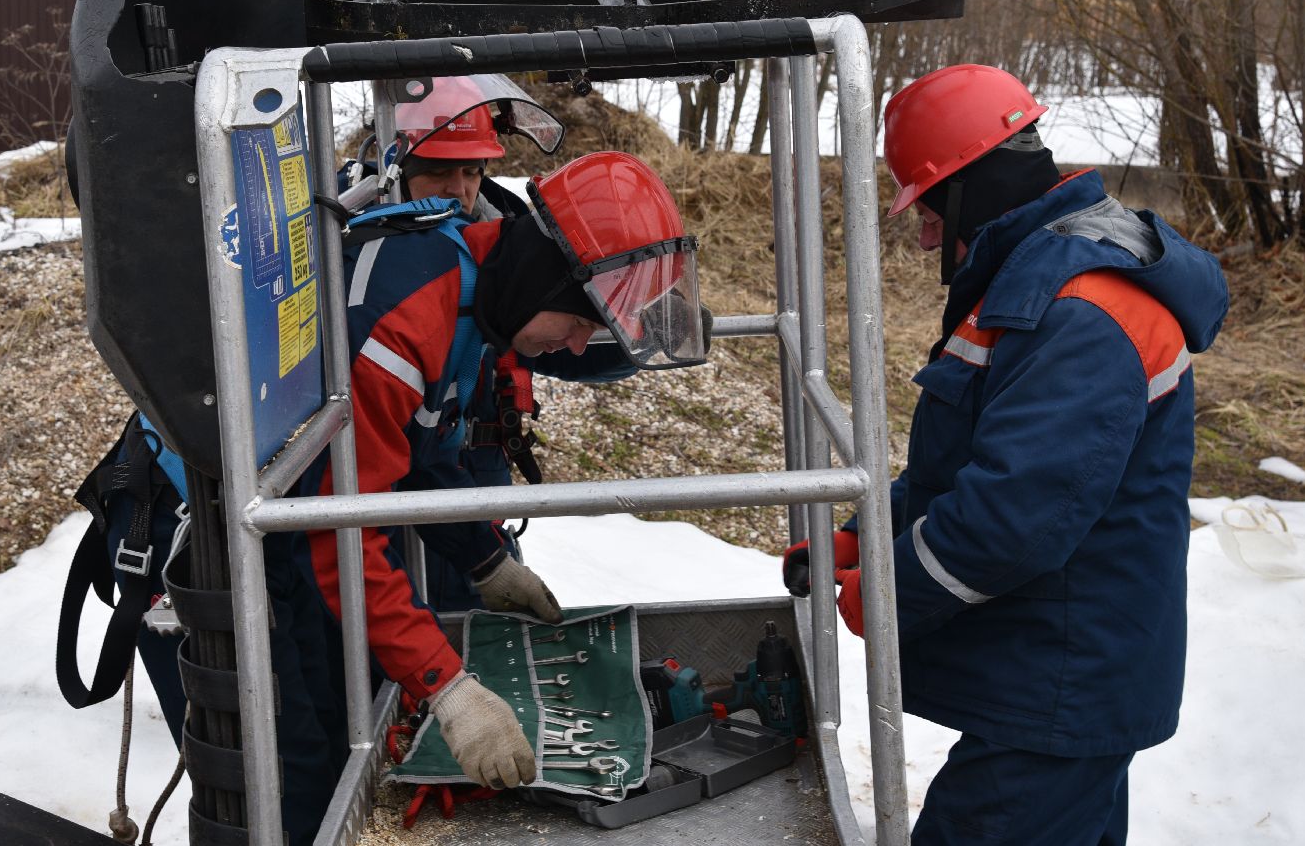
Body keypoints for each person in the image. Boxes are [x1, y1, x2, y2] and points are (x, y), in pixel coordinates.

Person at [782, 64, 1229, 845]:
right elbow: (972, 460)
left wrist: (886, 597)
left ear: (973, 188)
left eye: (927, 210)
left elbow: (1012, 519)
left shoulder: (1083, 307)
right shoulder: (1036, 283)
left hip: (1065, 680)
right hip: (1054, 673)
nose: (923, 236)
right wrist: (866, 530)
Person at [300, 148, 708, 792]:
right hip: (240, 539)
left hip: (312, 524)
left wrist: (486, 560)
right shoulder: (405, 318)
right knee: (304, 773)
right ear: (540, 279)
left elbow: (422, 453)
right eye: (578, 321)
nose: (577, 346)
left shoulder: (471, 288)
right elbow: (335, 526)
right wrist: (449, 688)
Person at [343, 74, 638, 610]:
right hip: (401, 479)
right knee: (393, 615)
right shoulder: (368, 262)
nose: (458, 189)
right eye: (437, 171)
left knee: (483, 623)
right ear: (396, 167)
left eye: (472, 170)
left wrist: (633, 325)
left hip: (469, 470)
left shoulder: (514, 238)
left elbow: (562, 343)